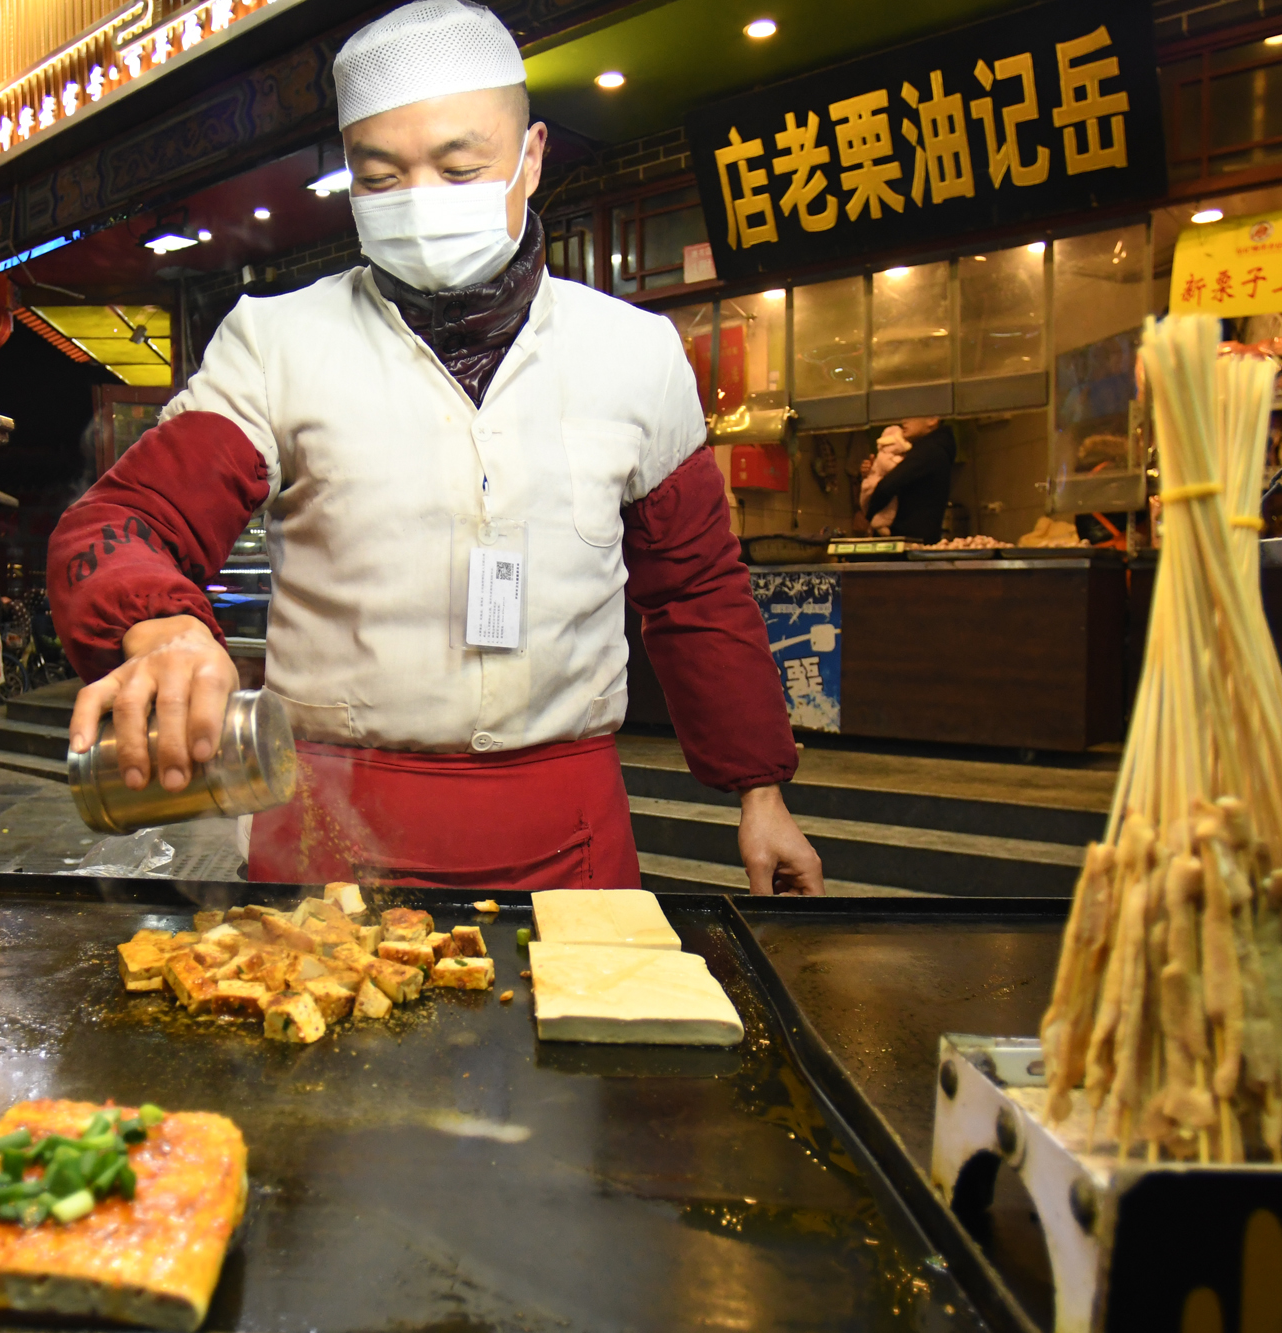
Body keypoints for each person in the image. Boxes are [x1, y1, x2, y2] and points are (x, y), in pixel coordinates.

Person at [48, 0, 821, 895]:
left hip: (565, 824)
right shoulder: (278, 342)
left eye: (460, 167)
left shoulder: (635, 354)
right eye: (380, 177)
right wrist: (164, 626)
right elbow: (123, 518)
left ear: (530, 157)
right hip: (328, 828)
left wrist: (760, 793)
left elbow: (696, 589)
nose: (420, 200)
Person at [858, 417, 957, 542]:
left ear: (932, 420)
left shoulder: (929, 450)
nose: (904, 420)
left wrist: (869, 510)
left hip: (907, 545)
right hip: (916, 543)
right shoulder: (936, 448)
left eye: (912, 414)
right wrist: (875, 472)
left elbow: (888, 485)